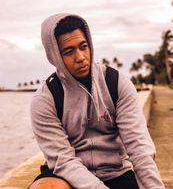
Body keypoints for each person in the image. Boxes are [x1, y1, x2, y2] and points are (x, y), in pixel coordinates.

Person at [30, 13, 165, 189]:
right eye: (69, 52)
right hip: (67, 177)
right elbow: (63, 161)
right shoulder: (45, 99)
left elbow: (139, 148)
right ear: (54, 56)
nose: (80, 57)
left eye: (83, 46)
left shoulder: (116, 84)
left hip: (116, 173)